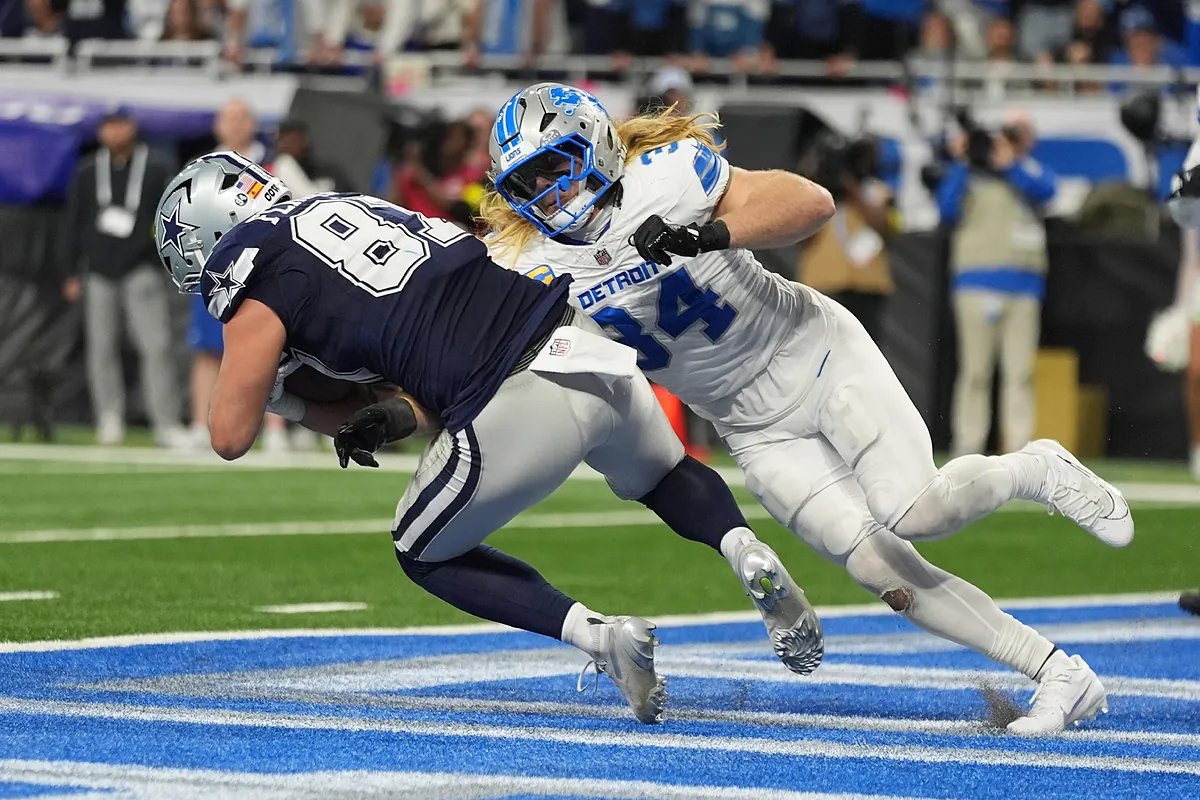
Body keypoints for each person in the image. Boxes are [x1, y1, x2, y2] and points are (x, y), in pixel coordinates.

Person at [481, 82, 1133, 734]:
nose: (547, 192)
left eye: (554, 166)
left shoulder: (666, 172)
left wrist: (708, 234)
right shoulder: (526, 262)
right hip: (750, 426)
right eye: (527, 182)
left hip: (814, 355)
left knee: (913, 511)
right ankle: (1058, 675)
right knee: (882, 569)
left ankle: (1035, 469)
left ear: (593, 142)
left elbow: (811, 202)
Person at [152, 150, 824, 722]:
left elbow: (230, 434)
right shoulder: (344, 208)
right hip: (574, 336)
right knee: (662, 474)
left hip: (512, 395)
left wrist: (279, 396)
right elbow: (416, 341)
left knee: (421, 551)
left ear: (207, 234)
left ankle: (600, 637)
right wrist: (375, 414)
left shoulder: (252, 255)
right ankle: (744, 549)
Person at [60, 109, 187, 448]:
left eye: (120, 125)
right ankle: (109, 416)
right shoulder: (89, 170)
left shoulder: (156, 167)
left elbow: (170, 217)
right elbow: (74, 221)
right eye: (108, 126)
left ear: (132, 127)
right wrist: (71, 270)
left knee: (157, 346)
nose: (115, 132)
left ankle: (166, 421)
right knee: (101, 347)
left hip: (141, 268)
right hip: (99, 271)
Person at [938, 110, 1056, 458]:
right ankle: (967, 448)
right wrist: (963, 161)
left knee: (1020, 373)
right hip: (975, 281)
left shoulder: (1028, 168)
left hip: (1023, 285)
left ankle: (1019, 449)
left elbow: (1047, 190)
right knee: (975, 372)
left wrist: (1010, 164)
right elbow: (945, 210)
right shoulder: (970, 172)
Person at [185, 99, 291, 452]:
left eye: (240, 117)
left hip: (262, 270)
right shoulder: (201, 169)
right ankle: (202, 423)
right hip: (214, 268)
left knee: (273, 349)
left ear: (253, 123)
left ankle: (275, 428)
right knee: (207, 349)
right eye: (227, 118)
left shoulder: (275, 163)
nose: (233, 125)